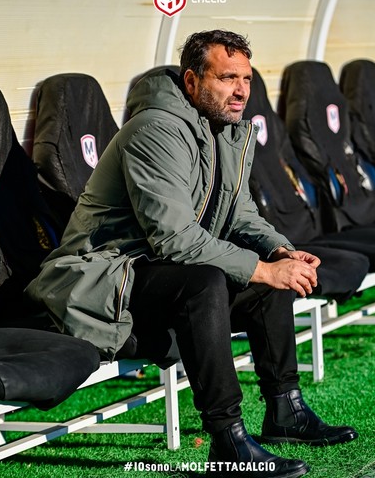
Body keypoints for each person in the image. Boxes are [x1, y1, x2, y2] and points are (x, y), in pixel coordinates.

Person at [25, 29, 357, 477]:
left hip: (155, 274)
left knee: (268, 279)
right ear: (192, 80)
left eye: (246, 78)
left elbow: (239, 213)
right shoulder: (156, 129)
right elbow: (174, 238)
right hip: (102, 279)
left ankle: (286, 411)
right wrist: (260, 268)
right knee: (210, 280)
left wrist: (282, 251)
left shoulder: (223, 129)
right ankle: (227, 440)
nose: (240, 90)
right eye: (226, 78)